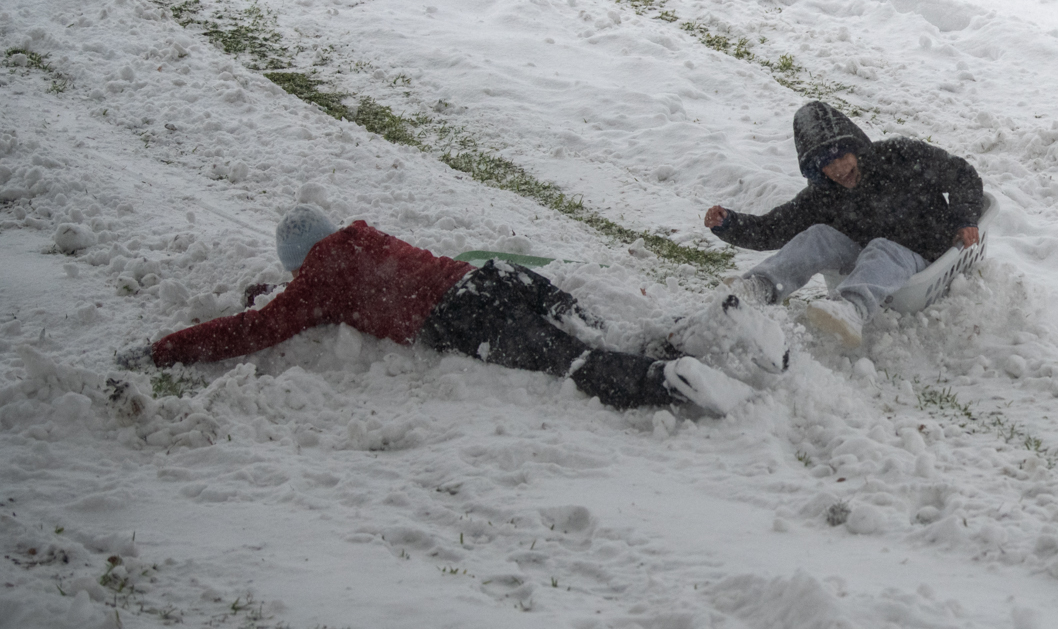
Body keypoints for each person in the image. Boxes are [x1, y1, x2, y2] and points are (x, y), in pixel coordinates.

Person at [124, 206, 750, 416]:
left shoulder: (315, 284)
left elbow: (250, 331)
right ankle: (697, 339)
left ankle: (666, 383)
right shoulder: (360, 237)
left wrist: (163, 349)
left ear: (297, 263)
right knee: (606, 331)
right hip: (498, 277)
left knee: (574, 361)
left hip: (466, 318)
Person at [703, 102, 985, 349]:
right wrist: (730, 224)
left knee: (882, 248)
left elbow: (962, 174)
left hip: (924, 251)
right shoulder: (825, 194)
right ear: (816, 169)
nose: (838, 168)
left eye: (841, 156)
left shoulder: (901, 156)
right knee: (817, 236)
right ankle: (762, 287)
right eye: (827, 163)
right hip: (869, 256)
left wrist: (965, 218)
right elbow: (777, 228)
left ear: (856, 147)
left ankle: (851, 308)